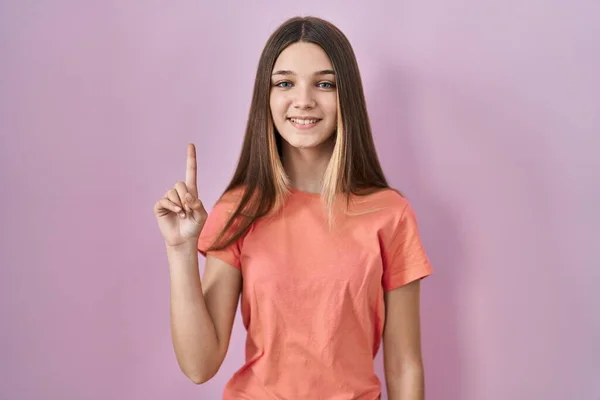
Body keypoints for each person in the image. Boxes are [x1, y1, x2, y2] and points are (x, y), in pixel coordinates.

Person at [153, 16, 433, 400]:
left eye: (324, 84)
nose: (304, 100)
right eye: (285, 82)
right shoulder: (239, 209)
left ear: (345, 95)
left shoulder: (390, 214)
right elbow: (199, 365)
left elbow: (404, 365)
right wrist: (180, 251)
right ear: (266, 97)